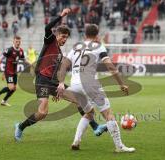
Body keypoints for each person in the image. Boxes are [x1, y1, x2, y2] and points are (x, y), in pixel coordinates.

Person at [14, 8, 107, 142]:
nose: (64, 39)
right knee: (42, 113)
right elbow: (47, 27)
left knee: (79, 99)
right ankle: (21, 126)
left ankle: (95, 127)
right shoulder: (50, 41)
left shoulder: (60, 54)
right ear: (56, 35)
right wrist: (61, 16)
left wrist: (59, 87)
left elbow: (57, 72)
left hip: (53, 82)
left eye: (66, 37)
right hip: (42, 80)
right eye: (62, 36)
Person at [56, 24, 135, 153]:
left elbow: (64, 64)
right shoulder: (99, 46)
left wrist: (61, 82)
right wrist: (121, 84)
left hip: (75, 85)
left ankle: (76, 141)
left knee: (89, 113)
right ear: (97, 35)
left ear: (84, 35)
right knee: (108, 114)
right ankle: (119, 147)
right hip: (90, 83)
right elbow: (110, 67)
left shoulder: (76, 46)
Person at [0, 36, 27, 106]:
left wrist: (32, 64)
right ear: (13, 41)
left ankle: (4, 101)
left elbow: (24, 60)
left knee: (14, 88)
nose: (18, 43)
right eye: (16, 42)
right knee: (11, 87)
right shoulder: (9, 50)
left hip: (14, 72)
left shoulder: (21, 51)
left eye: (19, 42)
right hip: (8, 72)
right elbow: (1, 59)